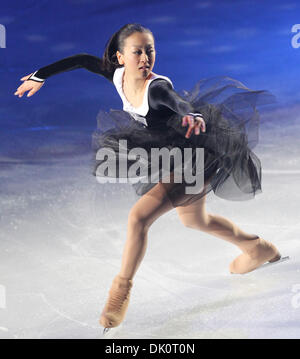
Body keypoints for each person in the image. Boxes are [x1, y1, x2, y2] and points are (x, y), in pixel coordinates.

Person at [14, 23, 281, 331]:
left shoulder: (157, 88)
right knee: (194, 220)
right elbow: (81, 60)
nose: (144, 58)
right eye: (137, 52)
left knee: (138, 218)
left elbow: (175, 101)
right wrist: (40, 75)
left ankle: (119, 292)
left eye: (150, 51)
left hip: (194, 154)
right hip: (173, 152)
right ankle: (257, 248)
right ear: (120, 57)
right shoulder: (116, 74)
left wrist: (190, 114)